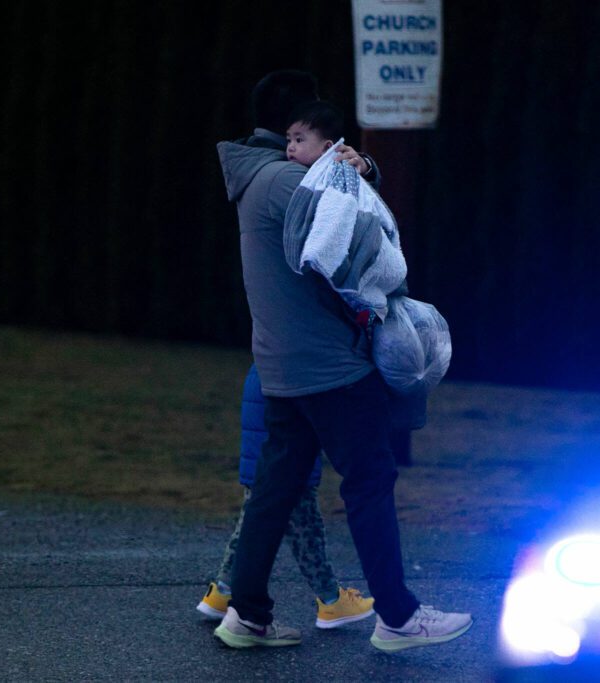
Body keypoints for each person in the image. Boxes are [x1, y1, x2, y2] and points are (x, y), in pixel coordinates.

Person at [213, 69, 471, 651]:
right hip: (328, 366)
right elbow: (358, 235)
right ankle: (399, 619)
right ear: (290, 130)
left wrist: (357, 168)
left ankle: (247, 614)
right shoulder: (287, 183)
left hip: (282, 366)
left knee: (275, 490)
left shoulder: (262, 176)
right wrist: (357, 171)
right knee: (371, 479)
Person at [196, 366, 375, 629]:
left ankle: (222, 592)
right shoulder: (293, 358)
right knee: (305, 526)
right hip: (285, 438)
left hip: (264, 432)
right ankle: (331, 599)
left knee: (252, 520)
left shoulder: (270, 348)